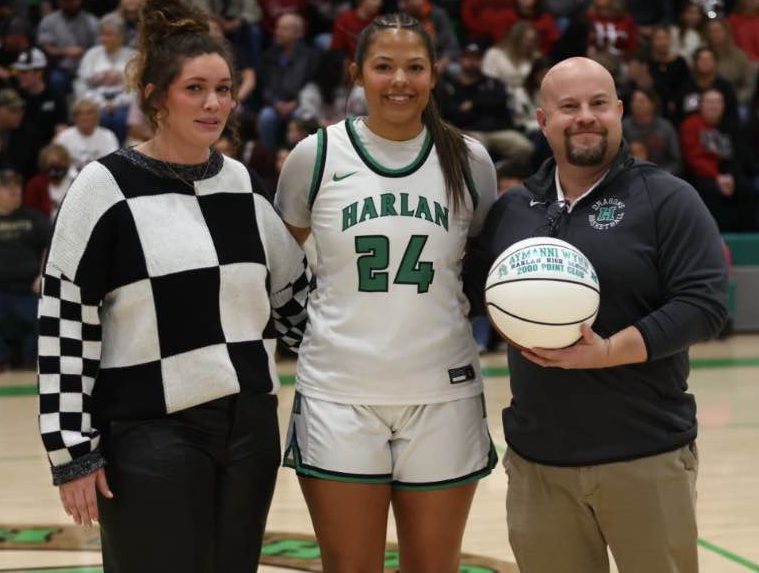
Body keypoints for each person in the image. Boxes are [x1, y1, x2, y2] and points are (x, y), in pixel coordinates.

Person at [37, 1, 309, 571]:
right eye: (195, 89)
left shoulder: (241, 184)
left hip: (249, 431)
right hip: (150, 433)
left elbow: (295, 301)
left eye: (224, 89)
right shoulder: (103, 187)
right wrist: (72, 452)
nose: (214, 104)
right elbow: (65, 317)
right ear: (157, 96)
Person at [469, 57, 728, 573]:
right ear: (543, 121)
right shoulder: (512, 209)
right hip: (540, 462)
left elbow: (705, 304)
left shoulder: (667, 199)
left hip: (646, 457)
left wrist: (608, 352)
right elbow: (474, 294)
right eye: (569, 107)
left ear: (620, 112)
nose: (585, 116)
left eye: (598, 104)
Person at [275, 12, 498, 572]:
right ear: (357, 73)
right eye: (383, 67)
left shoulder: (470, 161)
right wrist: (315, 335)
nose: (400, 80)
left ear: (435, 73)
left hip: (442, 393)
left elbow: (480, 265)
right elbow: (278, 270)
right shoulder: (316, 157)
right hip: (339, 395)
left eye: (414, 67)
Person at [0, 169, 49, 372]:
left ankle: (31, 363)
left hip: (30, 289)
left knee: (46, 320)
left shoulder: (34, 218)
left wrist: (42, 275)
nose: (14, 191)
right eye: (7, 187)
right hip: (1, 290)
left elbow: (50, 247)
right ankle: (3, 360)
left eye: (17, 186)